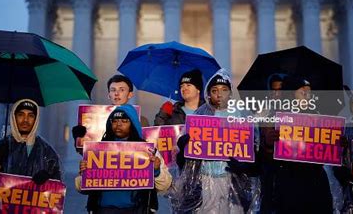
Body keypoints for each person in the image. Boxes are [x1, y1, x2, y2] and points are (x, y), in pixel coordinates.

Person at [172, 69, 252, 214]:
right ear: (208, 94)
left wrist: (243, 166)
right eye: (214, 90)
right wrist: (183, 147)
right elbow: (185, 159)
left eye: (224, 90)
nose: (219, 94)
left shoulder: (240, 116)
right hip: (204, 180)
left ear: (230, 92)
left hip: (231, 179)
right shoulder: (201, 114)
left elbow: (252, 153)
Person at [75, 104, 172, 213]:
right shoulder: (97, 150)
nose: (119, 124)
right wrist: (84, 173)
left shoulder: (148, 151)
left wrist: (156, 171)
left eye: (124, 121)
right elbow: (80, 188)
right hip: (102, 210)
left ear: (133, 124)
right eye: (115, 121)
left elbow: (165, 185)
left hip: (137, 210)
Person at [266, 75, 333, 214]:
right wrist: (268, 142)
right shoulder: (275, 117)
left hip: (316, 182)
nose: (307, 95)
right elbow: (265, 155)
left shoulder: (320, 116)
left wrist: (338, 144)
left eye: (309, 91)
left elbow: (328, 152)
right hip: (289, 183)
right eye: (303, 91)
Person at [0, 99, 62, 196]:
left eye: (30, 115)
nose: (25, 120)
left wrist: (48, 180)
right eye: (21, 115)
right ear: (14, 117)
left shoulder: (47, 152)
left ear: (36, 119)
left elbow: (57, 193)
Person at [72, 74, 149, 151]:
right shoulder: (94, 120)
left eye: (121, 90)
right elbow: (89, 154)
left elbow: (148, 148)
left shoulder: (141, 120)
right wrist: (79, 138)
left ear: (130, 94)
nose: (117, 93)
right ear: (109, 95)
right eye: (113, 90)